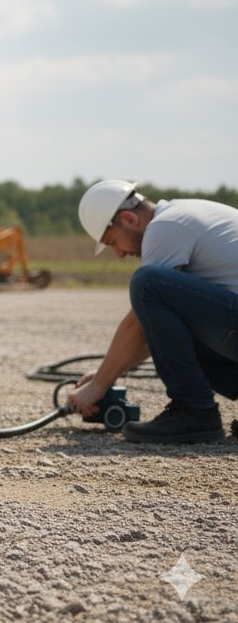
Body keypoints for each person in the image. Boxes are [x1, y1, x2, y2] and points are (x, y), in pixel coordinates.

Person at [67, 180, 238, 443]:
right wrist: (106, 373)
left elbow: (138, 323)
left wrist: (99, 385)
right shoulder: (182, 214)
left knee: (148, 283)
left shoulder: (165, 227)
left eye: (112, 242)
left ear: (129, 219)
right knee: (164, 305)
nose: (120, 254)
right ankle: (194, 412)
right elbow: (157, 329)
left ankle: (194, 412)